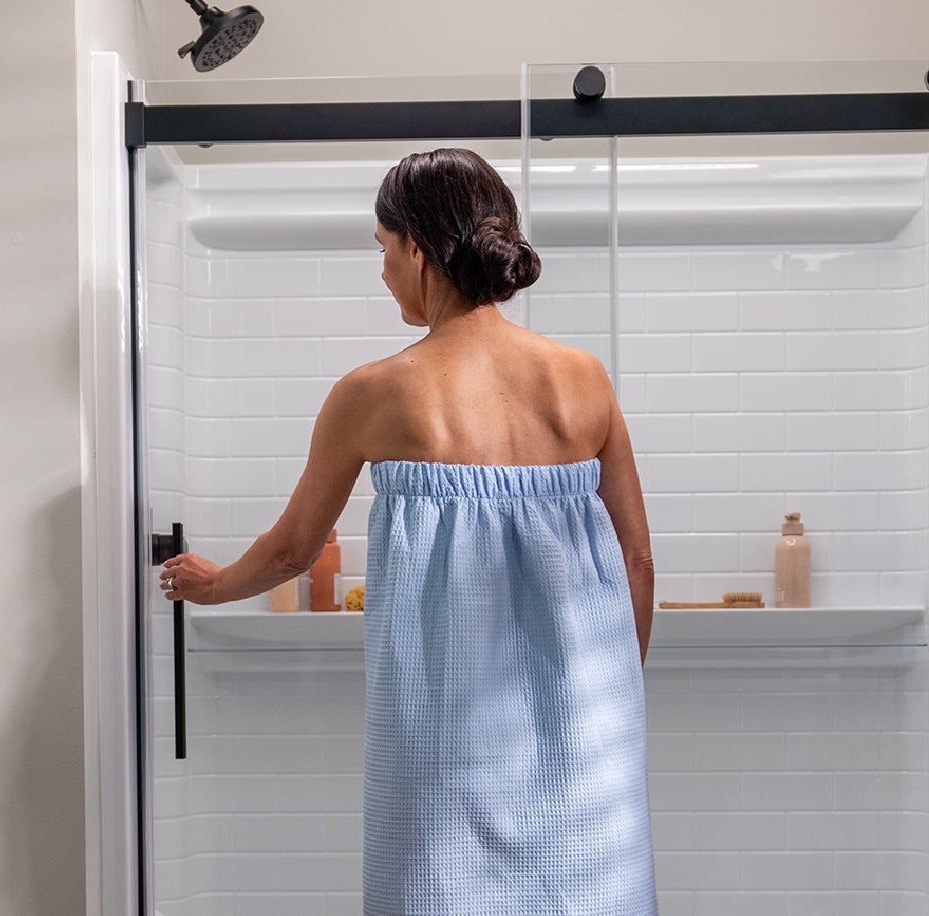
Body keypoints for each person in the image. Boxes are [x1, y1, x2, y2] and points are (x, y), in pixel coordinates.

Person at [157, 147, 657, 915]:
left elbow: (294, 548)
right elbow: (636, 557)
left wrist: (211, 584)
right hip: (591, 733)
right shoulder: (584, 376)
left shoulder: (373, 393)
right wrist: (616, 696)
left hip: (446, 743)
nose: (383, 270)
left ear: (417, 248)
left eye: (383, 249)